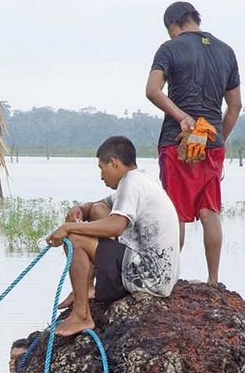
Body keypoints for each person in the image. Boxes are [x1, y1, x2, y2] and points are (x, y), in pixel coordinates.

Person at [145, 1, 242, 286]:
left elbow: (152, 90)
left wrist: (182, 117)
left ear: (173, 25)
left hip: (177, 140)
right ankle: (213, 281)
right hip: (211, 142)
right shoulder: (226, 51)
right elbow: (234, 105)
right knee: (209, 210)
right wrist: (217, 138)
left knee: (174, 210)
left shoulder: (169, 48)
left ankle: (170, 280)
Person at [45, 136, 180, 336]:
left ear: (113, 163)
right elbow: (98, 206)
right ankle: (87, 288)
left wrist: (68, 227)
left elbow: (116, 226)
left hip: (148, 276)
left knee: (74, 239)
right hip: (160, 277)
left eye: (102, 168)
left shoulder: (131, 182)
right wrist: (80, 208)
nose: (101, 176)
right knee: (98, 210)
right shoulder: (141, 180)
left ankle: (81, 315)